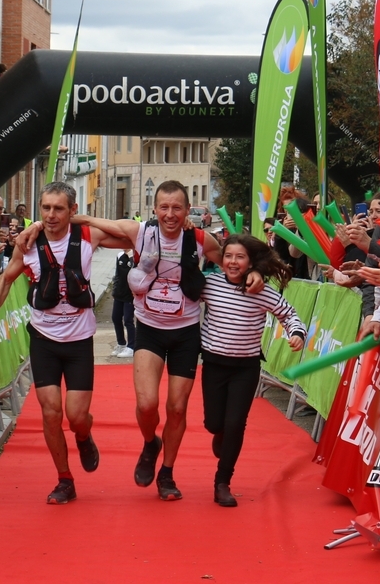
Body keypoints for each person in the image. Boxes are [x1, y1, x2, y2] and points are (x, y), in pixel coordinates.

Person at [43, 180, 262, 500]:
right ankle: (150, 443)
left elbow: (236, 260)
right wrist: (47, 222)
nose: (170, 214)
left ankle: (167, 474)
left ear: (188, 211)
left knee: (176, 408)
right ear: (154, 209)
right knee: (147, 404)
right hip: (149, 329)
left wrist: (254, 273)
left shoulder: (200, 238)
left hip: (186, 333)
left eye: (177, 208)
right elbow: (90, 221)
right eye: (164, 207)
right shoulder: (140, 232)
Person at [0, 182, 117, 504]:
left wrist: (87, 221)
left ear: (71, 211)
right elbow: (6, 277)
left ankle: (83, 435)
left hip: (79, 340)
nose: (51, 215)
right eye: (45, 209)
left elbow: (131, 232)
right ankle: (65, 479)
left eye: (59, 209)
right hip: (44, 340)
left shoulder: (86, 236)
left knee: (77, 415)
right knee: (51, 413)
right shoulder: (28, 244)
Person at [200, 235, 305, 507]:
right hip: (213, 364)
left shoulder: (263, 291)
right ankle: (219, 433)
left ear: (250, 262)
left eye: (240, 257)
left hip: (245, 368)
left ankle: (222, 482)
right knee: (214, 423)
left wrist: (296, 333)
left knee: (236, 424)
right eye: (228, 256)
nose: (233, 262)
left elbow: (289, 314)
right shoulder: (210, 284)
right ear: (221, 260)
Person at [111, 250, 136, 358]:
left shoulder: (135, 256)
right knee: (116, 318)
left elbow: (136, 272)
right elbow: (117, 274)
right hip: (119, 294)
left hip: (130, 295)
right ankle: (121, 343)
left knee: (128, 320)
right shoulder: (119, 255)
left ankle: (132, 346)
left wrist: (131, 257)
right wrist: (115, 290)